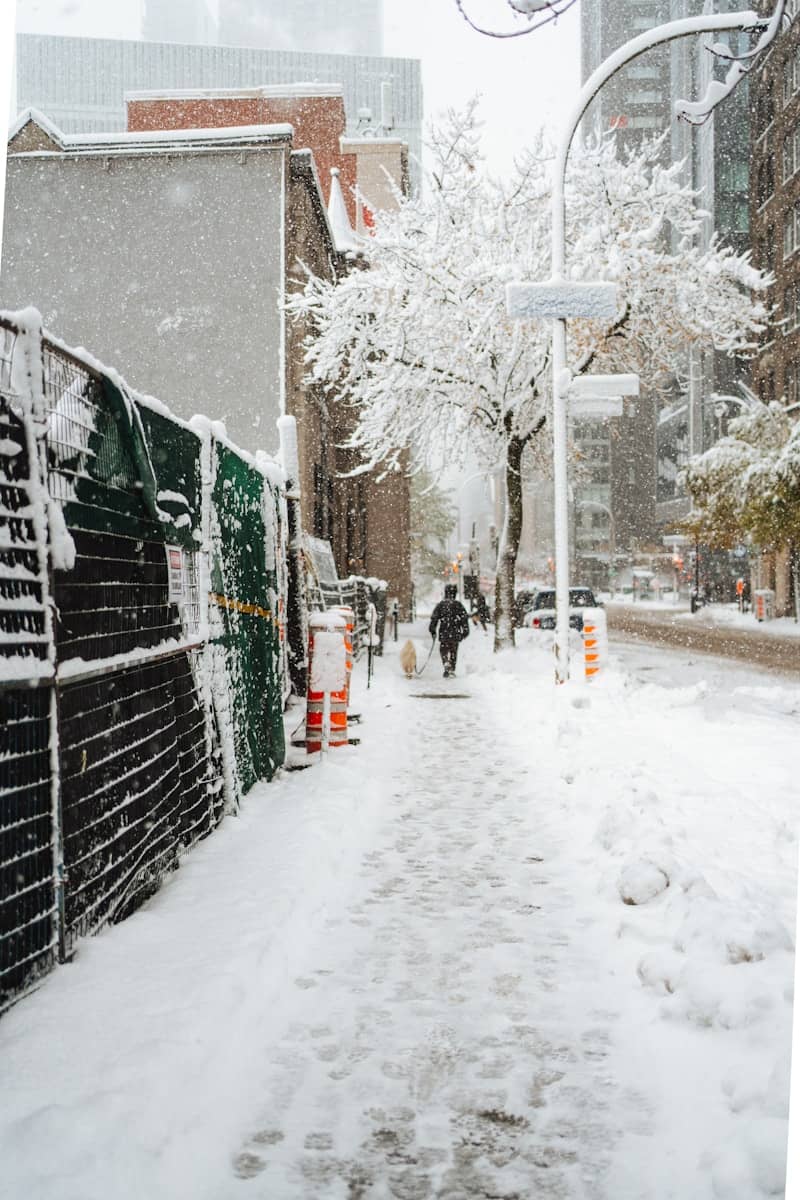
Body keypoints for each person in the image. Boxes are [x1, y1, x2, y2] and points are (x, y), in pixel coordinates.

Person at [429, 583, 470, 677]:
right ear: (454, 593)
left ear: (445, 592)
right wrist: (465, 630)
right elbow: (464, 619)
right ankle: (451, 668)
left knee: (443, 650)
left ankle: (445, 662)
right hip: (455, 633)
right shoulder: (458, 605)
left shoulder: (441, 605)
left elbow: (434, 618)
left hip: (444, 632)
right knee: (453, 651)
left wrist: (433, 629)